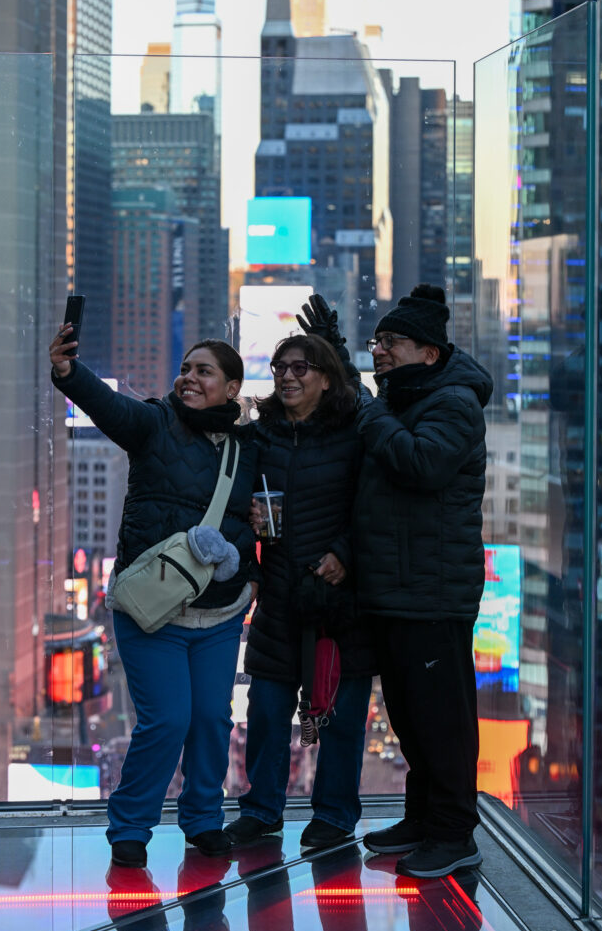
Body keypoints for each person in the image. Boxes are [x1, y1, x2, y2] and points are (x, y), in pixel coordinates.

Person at [301, 285, 493, 878]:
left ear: (429, 352)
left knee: (442, 720)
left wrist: (373, 409)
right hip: (396, 588)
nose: (379, 352)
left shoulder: (453, 403)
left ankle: (455, 833)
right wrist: (336, 349)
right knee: (410, 718)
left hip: (432, 593)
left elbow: (420, 462)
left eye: (391, 343)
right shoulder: (403, 398)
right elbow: (374, 416)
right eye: (376, 342)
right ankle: (422, 819)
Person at [50, 324, 259, 869]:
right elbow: (109, 407)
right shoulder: (155, 424)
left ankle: (203, 820)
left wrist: (252, 574)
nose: (188, 378)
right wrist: (70, 373)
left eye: (203, 371)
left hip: (220, 613)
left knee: (212, 719)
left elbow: (258, 516)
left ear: (232, 388)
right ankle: (131, 825)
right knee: (167, 720)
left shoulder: (251, 447)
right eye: (186, 368)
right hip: (150, 611)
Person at [224, 333, 376, 850]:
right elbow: (230, 505)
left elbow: (375, 507)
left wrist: (344, 555)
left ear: (326, 377)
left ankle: (334, 814)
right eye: (280, 366)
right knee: (266, 709)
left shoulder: (353, 433)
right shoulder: (258, 436)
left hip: (338, 598)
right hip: (279, 593)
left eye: (301, 367)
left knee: (336, 712)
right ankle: (262, 809)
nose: (288, 375)